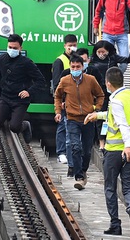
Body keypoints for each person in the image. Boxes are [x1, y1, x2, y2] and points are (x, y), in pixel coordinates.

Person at [84, 67, 130, 237]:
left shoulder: (117, 100)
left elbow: (123, 124)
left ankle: (115, 225)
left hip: (116, 151)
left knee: (110, 188)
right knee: (129, 187)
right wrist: (97, 115)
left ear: (108, 83)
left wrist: (127, 146)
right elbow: (117, 116)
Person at [0, 34, 46, 166]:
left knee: (14, 127)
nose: (12, 49)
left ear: (20, 48)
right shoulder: (2, 59)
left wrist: (28, 91)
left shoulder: (27, 63)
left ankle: (25, 126)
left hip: (20, 100)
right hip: (5, 97)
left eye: (15, 47)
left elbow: (40, 81)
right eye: (10, 47)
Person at [54, 55, 104, 190]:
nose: (75, 69)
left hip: (88, 119)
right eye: (73, 67)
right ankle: (79, 177)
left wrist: (96, 109)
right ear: (69, 67)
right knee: (75, 146)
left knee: (87, 151)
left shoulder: (90, 80)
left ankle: (83, 170)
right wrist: (58, 111)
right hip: (72, 118)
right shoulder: (64, 81)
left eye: (78, 67)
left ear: (83, 67)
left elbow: (100, 95)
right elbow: (57, 95)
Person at [90, 40, 130, 150]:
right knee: (99, 117)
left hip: (110, 92)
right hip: (97, 93)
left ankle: (107, 139)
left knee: (110, 116)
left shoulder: (113, 58)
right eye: (99, 52)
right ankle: (101, 142)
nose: (101, 54)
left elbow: (127, 60)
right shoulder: (92, 60)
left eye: (104, 52)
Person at [52, 34, 78, 168]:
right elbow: (56, 83)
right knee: (62, 125)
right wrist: (60, 100)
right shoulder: (60, 61)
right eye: (70, 45)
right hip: (64, 100)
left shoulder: (76, 60)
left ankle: (70, 153)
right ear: (65, 45)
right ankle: (61, 152)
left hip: (74, 100)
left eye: (74, 45)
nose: (72, 48)